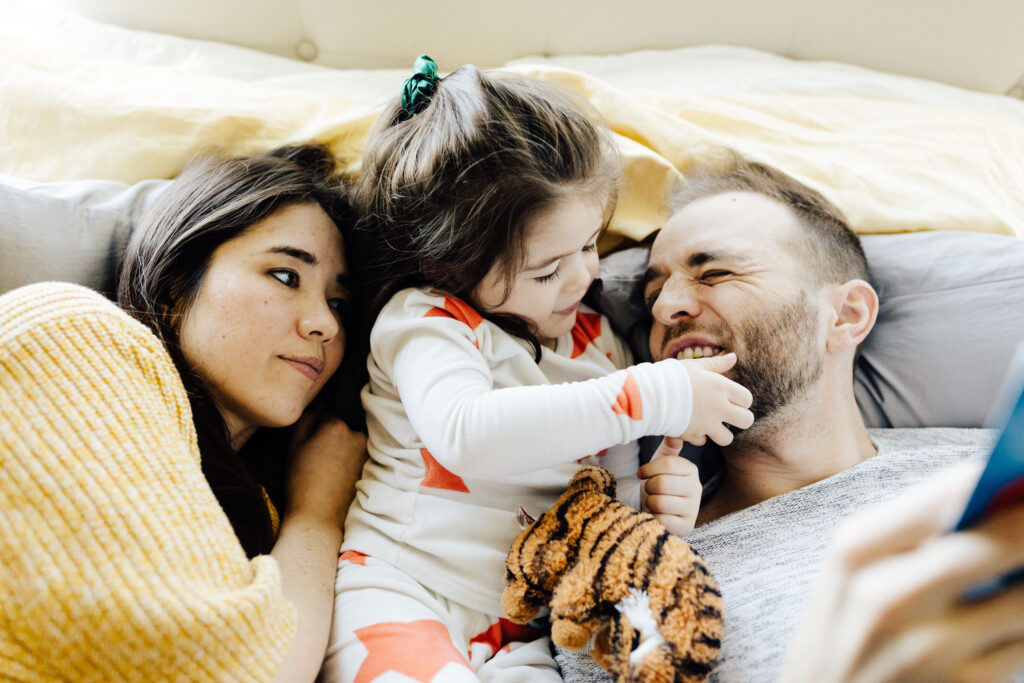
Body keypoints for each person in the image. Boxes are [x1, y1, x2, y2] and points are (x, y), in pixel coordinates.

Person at [320, 57, 754, 682]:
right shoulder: (428, 321)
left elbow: (602, 494)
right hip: (402, 587)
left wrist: (657, 507)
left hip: (523, 627)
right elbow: (468, 434)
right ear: (450, 268)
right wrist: (652, 394)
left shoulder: (597, 340)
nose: (584, 277)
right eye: (547, 270)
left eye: (588, 244)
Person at [557, 157, 1024, 681]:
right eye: (652, 296)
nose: (666, 310)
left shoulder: (991, 472)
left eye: (715, 273)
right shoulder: (633, 579)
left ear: (846, 315)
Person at [0, 143, 368, 682]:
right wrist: (317, 515)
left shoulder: (262, 512)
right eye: (286, 275)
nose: (324, 325)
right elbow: (236, 671)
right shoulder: (71, 334)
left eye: (338, 303)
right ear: (177, 277)